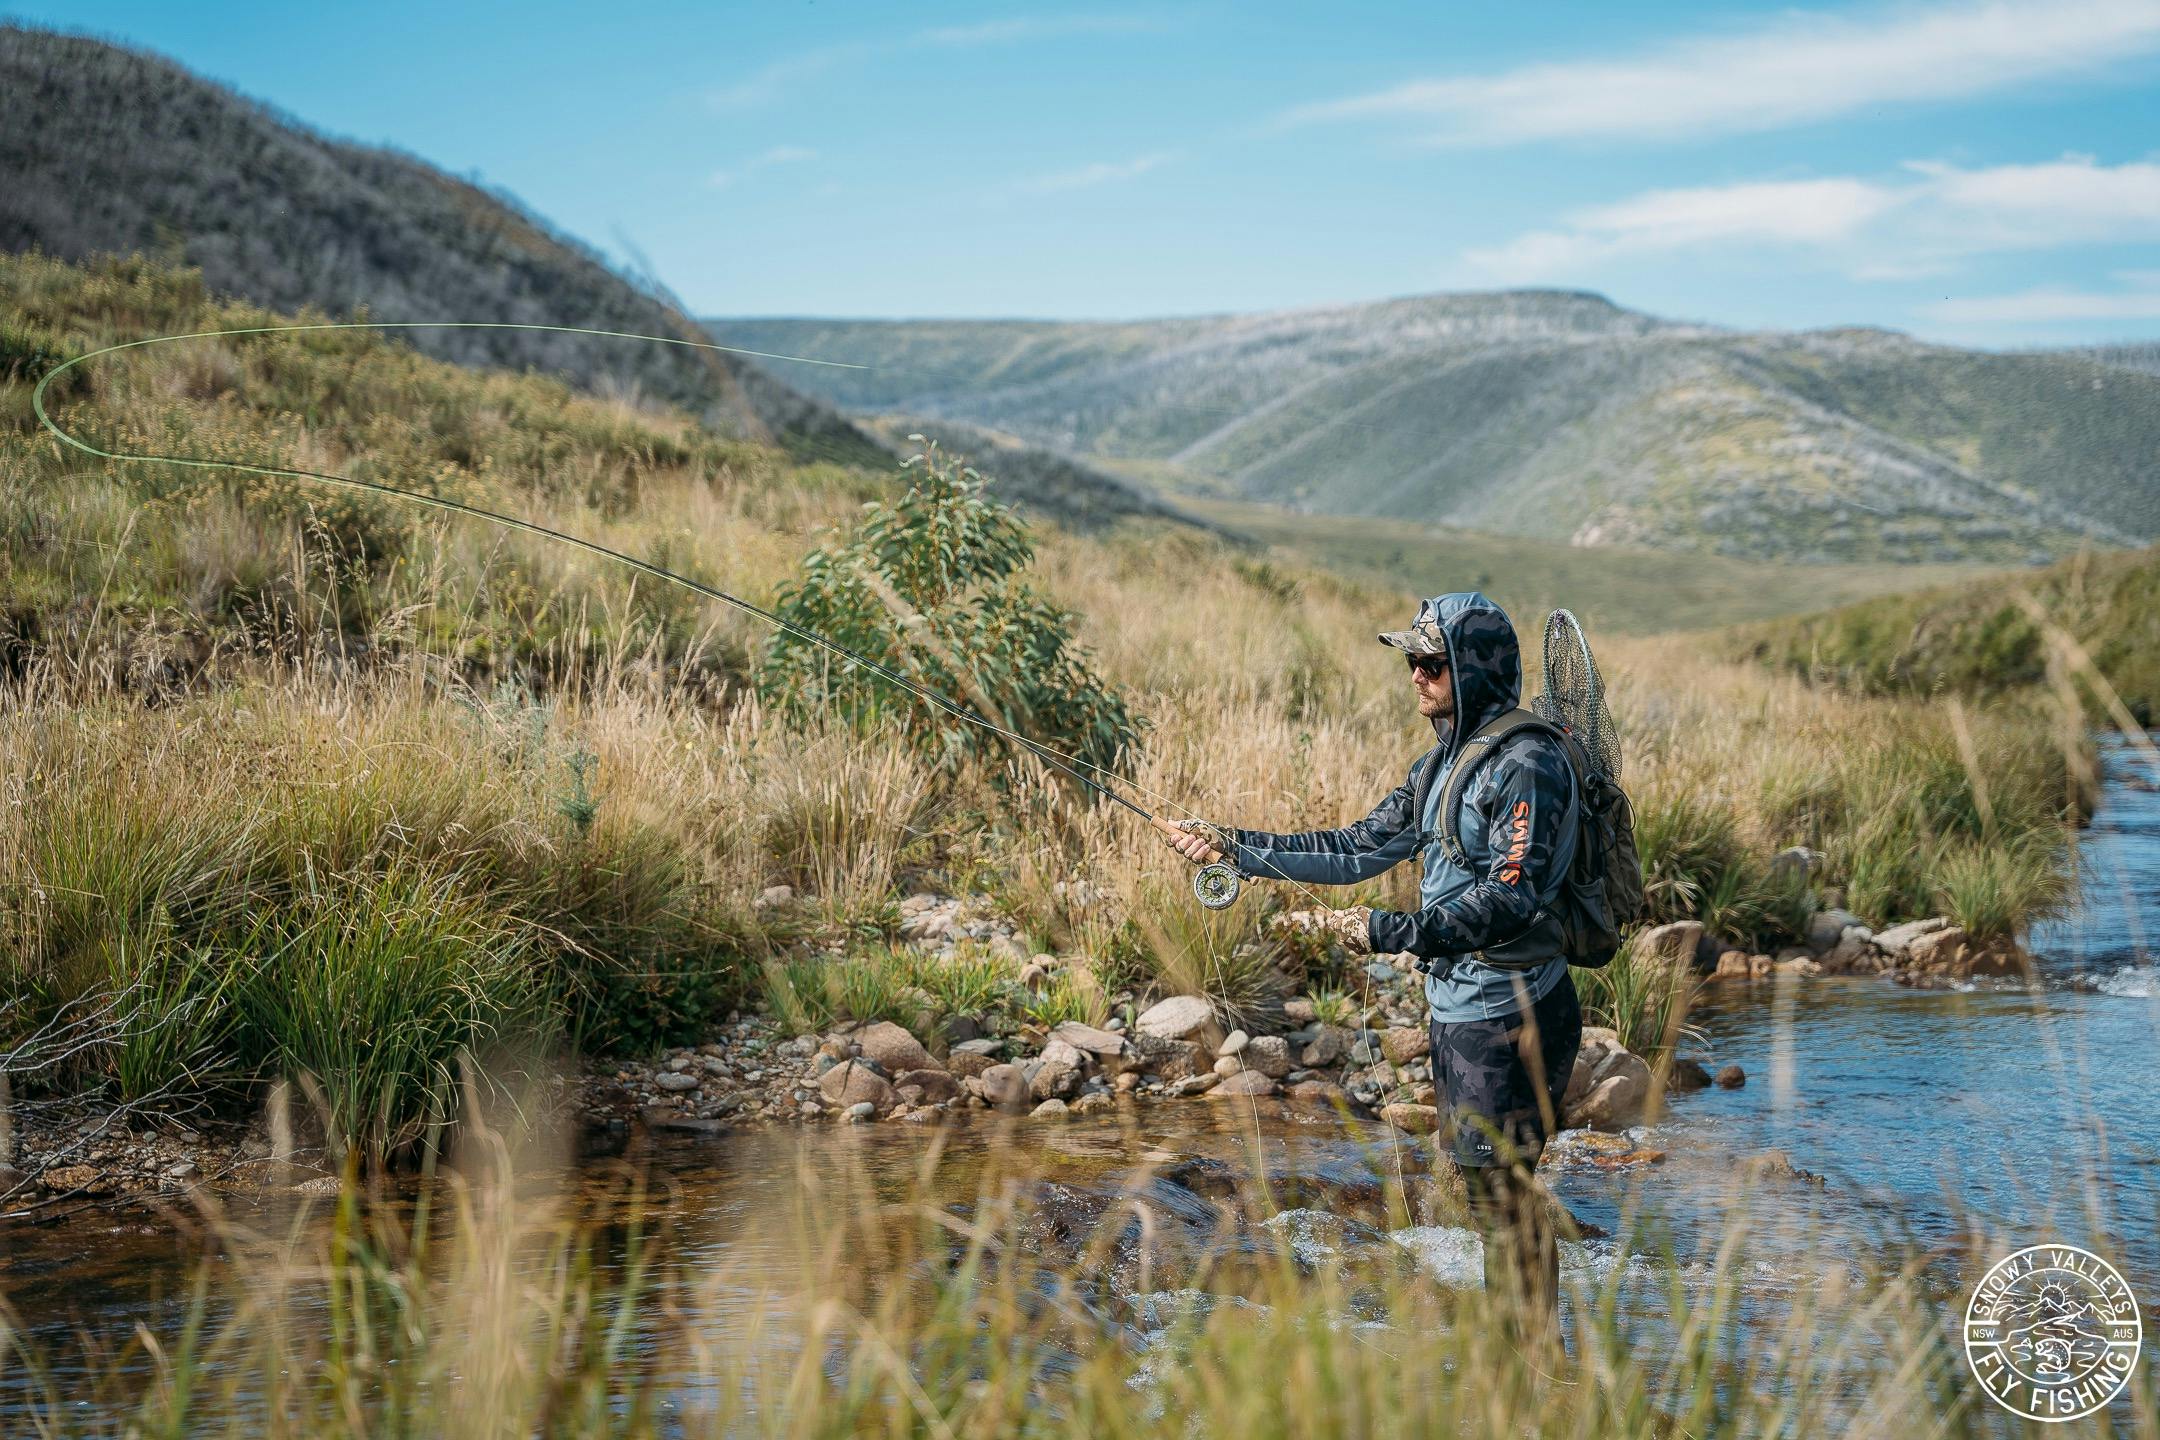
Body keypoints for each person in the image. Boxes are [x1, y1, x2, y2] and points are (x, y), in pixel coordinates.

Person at [1155, 591, 1583, 1356]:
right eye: (1412, 662)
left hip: (1515, 1014)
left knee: (1502, 1197)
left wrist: (1395, 931)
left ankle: (1538, 1371)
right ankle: (1526, 1362)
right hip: (1464, 1013)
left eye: (1431, 663)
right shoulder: (1441, 767)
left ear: (1477, 671)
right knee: (1491, 1196)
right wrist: (1231, 847)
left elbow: (1515, 895)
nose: (1415, 676)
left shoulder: (1530, 764)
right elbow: (1356, 847)